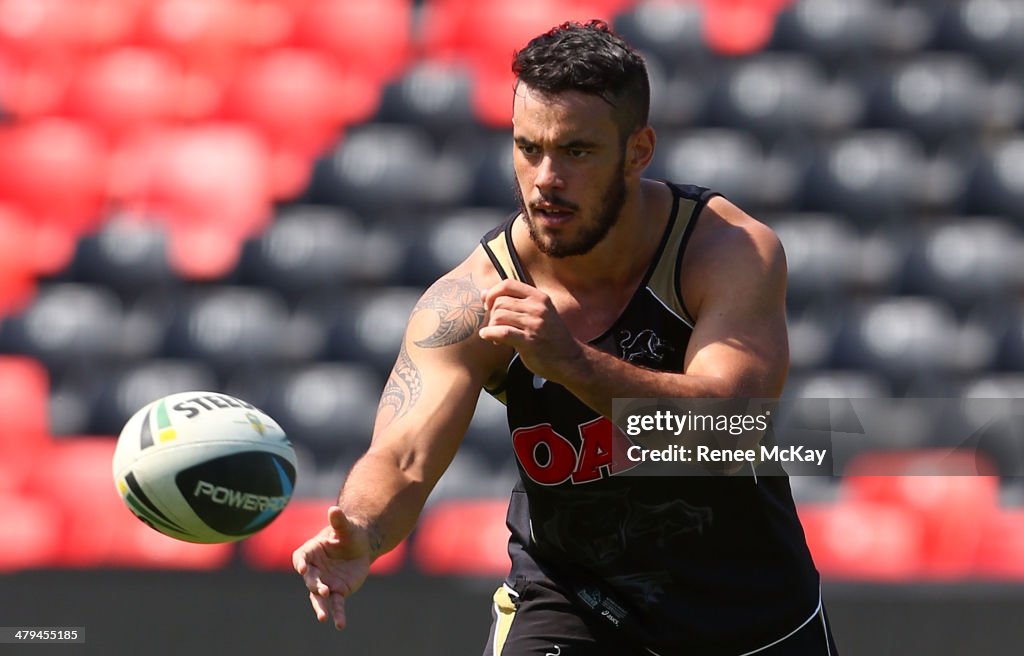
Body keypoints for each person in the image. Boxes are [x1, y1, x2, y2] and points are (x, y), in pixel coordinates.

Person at [294, 19, 839, 656]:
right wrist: (361, 526)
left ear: (638, 151)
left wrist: (572, 363)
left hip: (752, 616)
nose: (546, 177)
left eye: (576, 152)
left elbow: (730, 421)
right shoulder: (471, 298)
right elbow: (403, 456)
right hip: (574, 604)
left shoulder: (724, 250)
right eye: (529, 149)